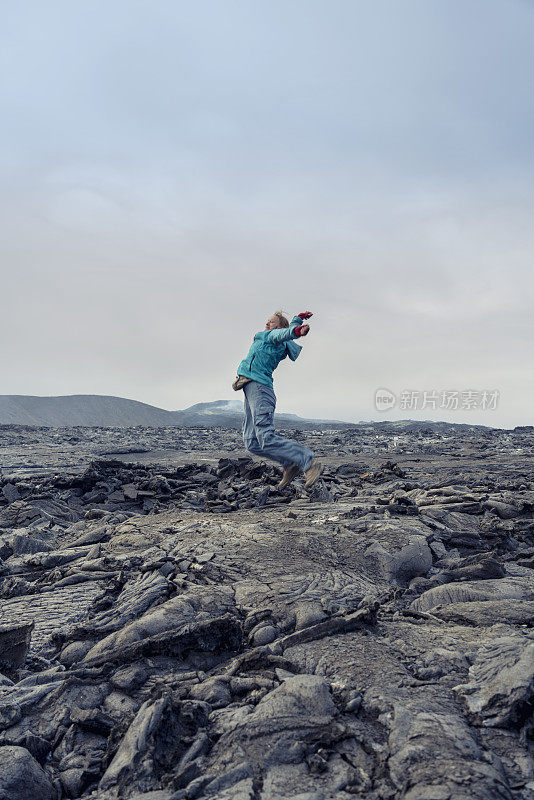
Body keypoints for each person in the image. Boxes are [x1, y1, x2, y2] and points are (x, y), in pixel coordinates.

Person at [234, 310, 323, 490]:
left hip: (260, 389)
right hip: (251, 388)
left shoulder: (271, 337)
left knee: (265, 437)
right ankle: (290, 465)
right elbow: (286, 330)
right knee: (252, 442)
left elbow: (284, 333)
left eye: (272, 322)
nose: (267, 324)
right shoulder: (272, 336)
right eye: (267, 321)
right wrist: (298, 319)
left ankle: (308, 461)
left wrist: (296, 332)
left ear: (279, 327)